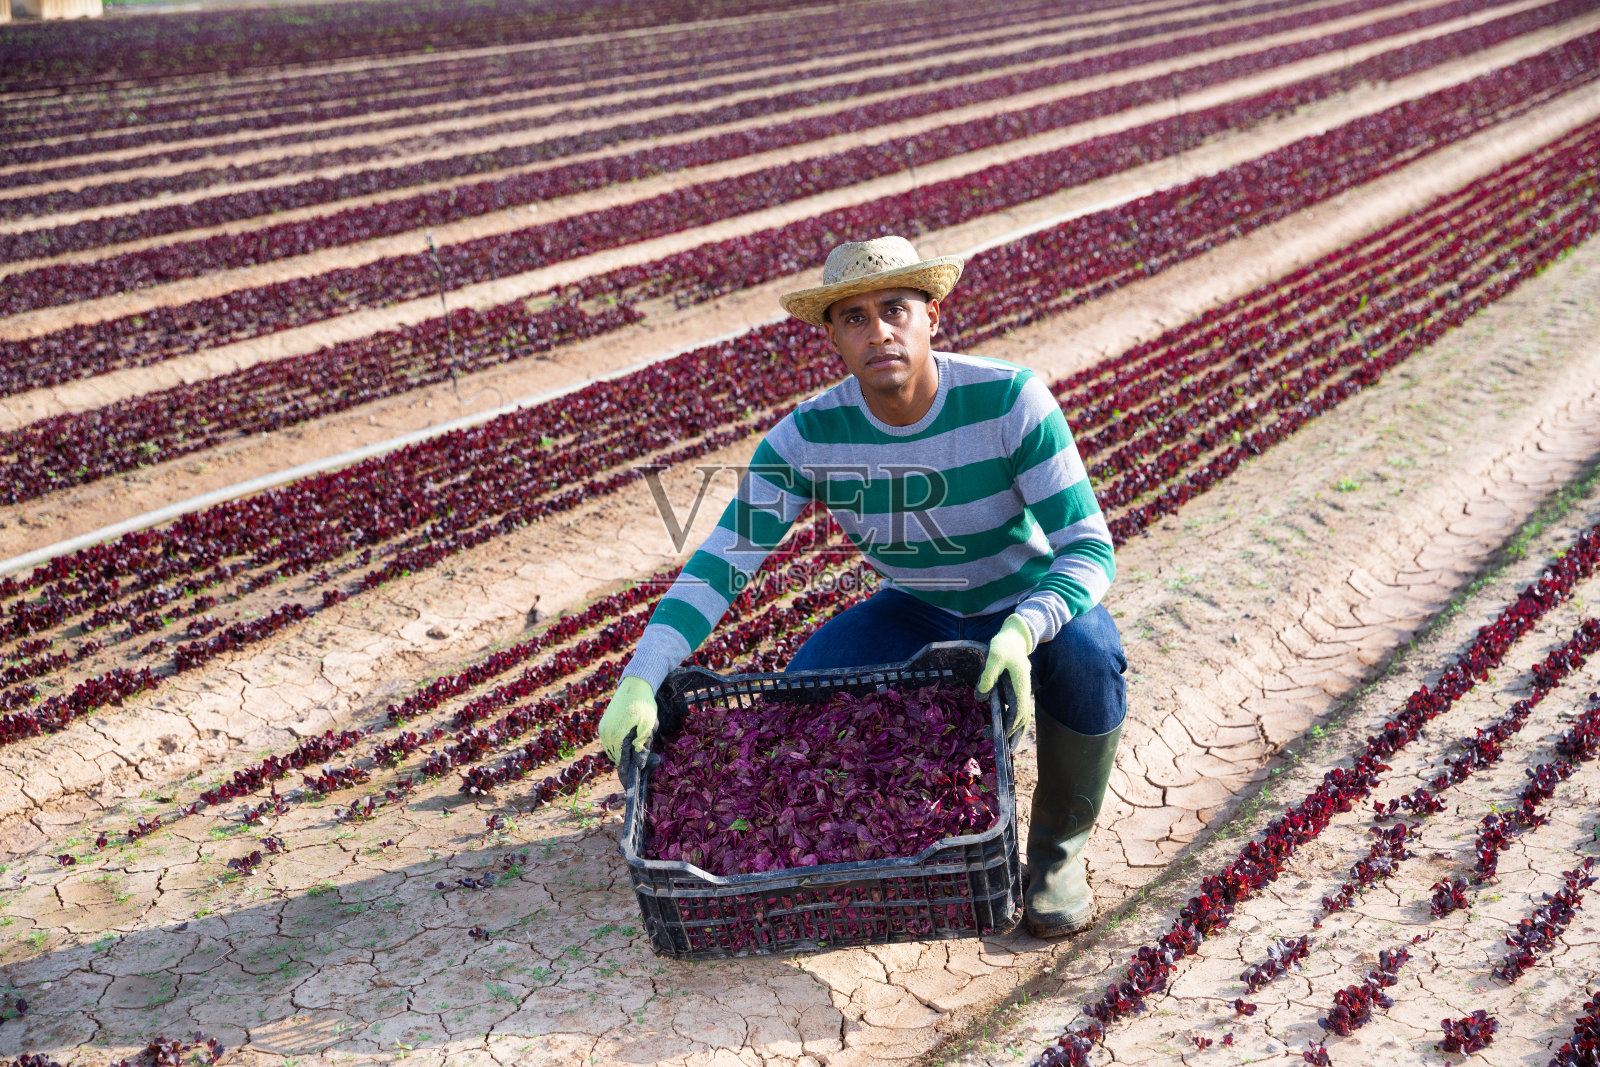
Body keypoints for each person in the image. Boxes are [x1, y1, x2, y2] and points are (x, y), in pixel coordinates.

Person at [597, 236, 1127, 937]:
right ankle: (902, 832)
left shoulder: (1010, 401)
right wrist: (641, 675)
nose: (877, 330)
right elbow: (721, 562)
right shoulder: (808, 438)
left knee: (1091, 653)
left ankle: (1057, 852)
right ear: (833, 338)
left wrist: (1026, 626)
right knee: (802, 702)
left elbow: (1089, 549)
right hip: (920, 609)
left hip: (1021, 602)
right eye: (853, 317)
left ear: (932, 316)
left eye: (895, 309)